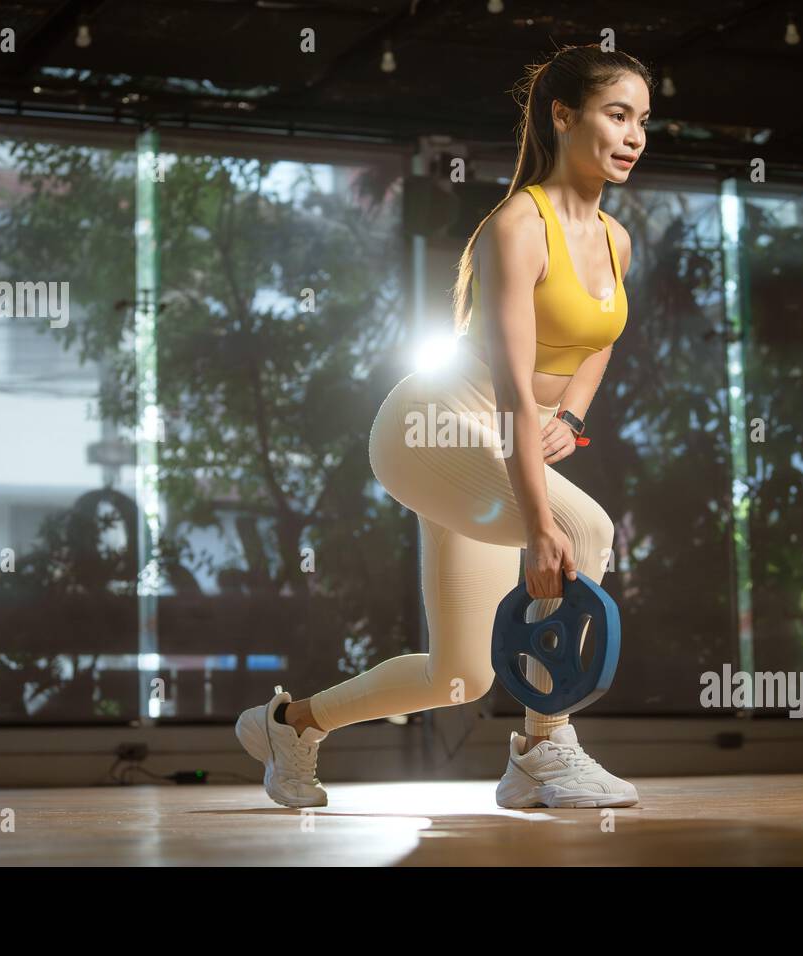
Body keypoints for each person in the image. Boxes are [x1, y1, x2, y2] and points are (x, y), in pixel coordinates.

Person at [236, 43, 651, 809]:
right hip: (432, 424)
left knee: (459, 675)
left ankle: (290, 725)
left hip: (491, 438)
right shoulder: (517, 229)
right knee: (580, 529)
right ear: (564, 116)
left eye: (643, 120)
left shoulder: (616, 240)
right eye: (616, 114)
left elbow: (600, 341)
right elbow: (511, 396)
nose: (634, 136)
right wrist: (536, 520)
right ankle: (541, 753)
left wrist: (576, 414)